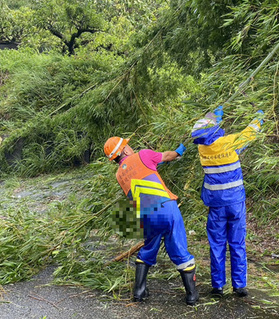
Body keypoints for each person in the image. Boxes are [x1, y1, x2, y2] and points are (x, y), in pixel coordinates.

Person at [103, 136, 199, 306]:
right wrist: (179, 151)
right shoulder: (143, 155)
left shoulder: (119, 174)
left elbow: (140, 174)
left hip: (146, 214)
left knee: (148, 248)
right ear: (125, 150)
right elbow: (167, 156)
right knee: (179, 247)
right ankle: (192, 296)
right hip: (166, 207)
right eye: (128, 145)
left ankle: (139, 292)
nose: (131, 147)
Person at [191, 106, 263, 297]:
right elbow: (249, 134)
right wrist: (259, 118)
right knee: (237, 243)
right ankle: (239, 286)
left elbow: (206, 130)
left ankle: (218, 286)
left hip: (216, 206)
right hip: (235, 203)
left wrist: (213, 116)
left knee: (217, 244)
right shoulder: (229, 143)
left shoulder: (202, 149)